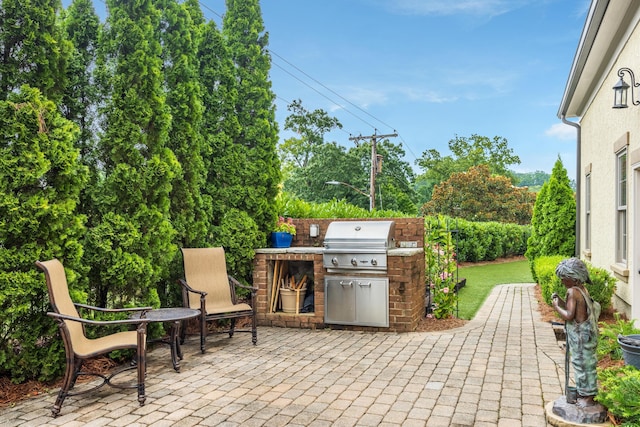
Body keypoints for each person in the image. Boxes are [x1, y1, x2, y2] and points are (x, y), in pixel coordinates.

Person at [552, 257, 601, 408]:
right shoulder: (582, 289)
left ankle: (587, 397)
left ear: (573, 278)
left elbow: (568, 315)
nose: (561, 281)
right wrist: (560, 301)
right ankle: (583, 392)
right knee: (586, 363)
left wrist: (555, 306)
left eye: (563, 278)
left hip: (580, 338)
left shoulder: (572, 291)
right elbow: (572, 309)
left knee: (581, 365)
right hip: (587, 336)